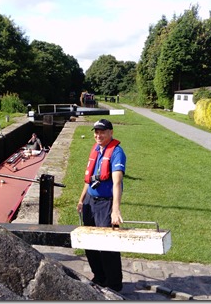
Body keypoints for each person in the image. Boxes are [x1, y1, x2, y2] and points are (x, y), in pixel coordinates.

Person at [76, 118, 126, 292]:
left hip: (106, 203)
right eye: (96, 132)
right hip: (90, 201)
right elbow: (89, 178)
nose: (98, 135)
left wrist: (115, 210)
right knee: (89, 242)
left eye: (102, 131)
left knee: (107, 244)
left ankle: (113, 284)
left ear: (111, 133)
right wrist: (82, 199)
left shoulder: (117, 152)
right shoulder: (96, 150)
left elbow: (117, 183)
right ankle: (99, 276)